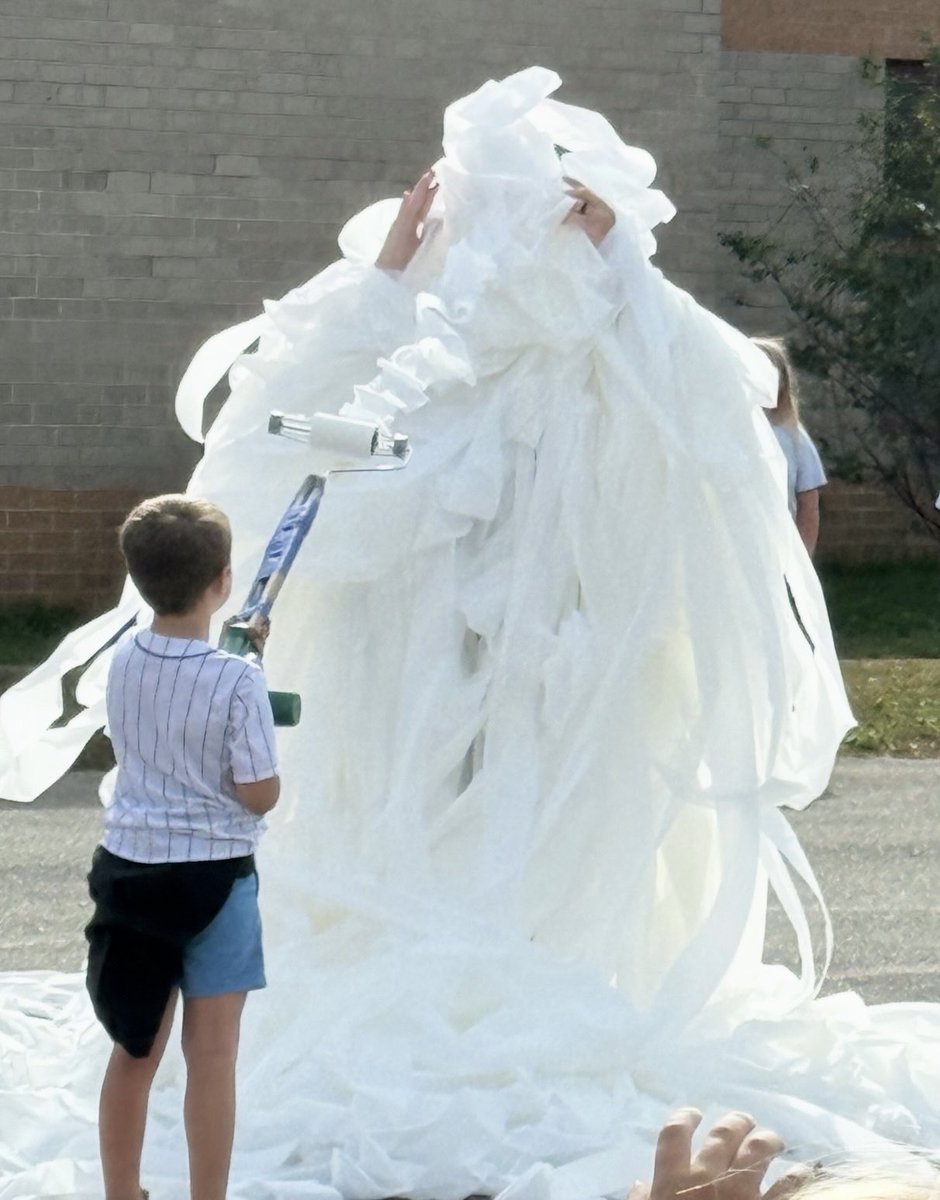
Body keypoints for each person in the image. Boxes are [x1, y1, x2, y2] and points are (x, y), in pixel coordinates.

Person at [0, 66, 938, 1200]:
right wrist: (474, 270)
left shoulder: (552, 390)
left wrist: (592, 266)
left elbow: (677, 431)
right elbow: (292, 430)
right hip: (437, 667)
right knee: (452, 799)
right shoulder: (445, 396)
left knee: (506, 807)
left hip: (526, 667)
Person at [86, 494, 280, 1200]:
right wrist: (246, 666)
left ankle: (122, 1191)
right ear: (223, 581)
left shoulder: (123, 660)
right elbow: (258, 791)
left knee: (134, 1047)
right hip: (218, 884)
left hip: (132, 877)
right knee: (213, 1054)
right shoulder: (238, 680)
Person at [752, 337, 828, 557]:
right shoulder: (725, 433)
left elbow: (809, 503)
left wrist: (803, 558)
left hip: (778, 550)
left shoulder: (793, 437)